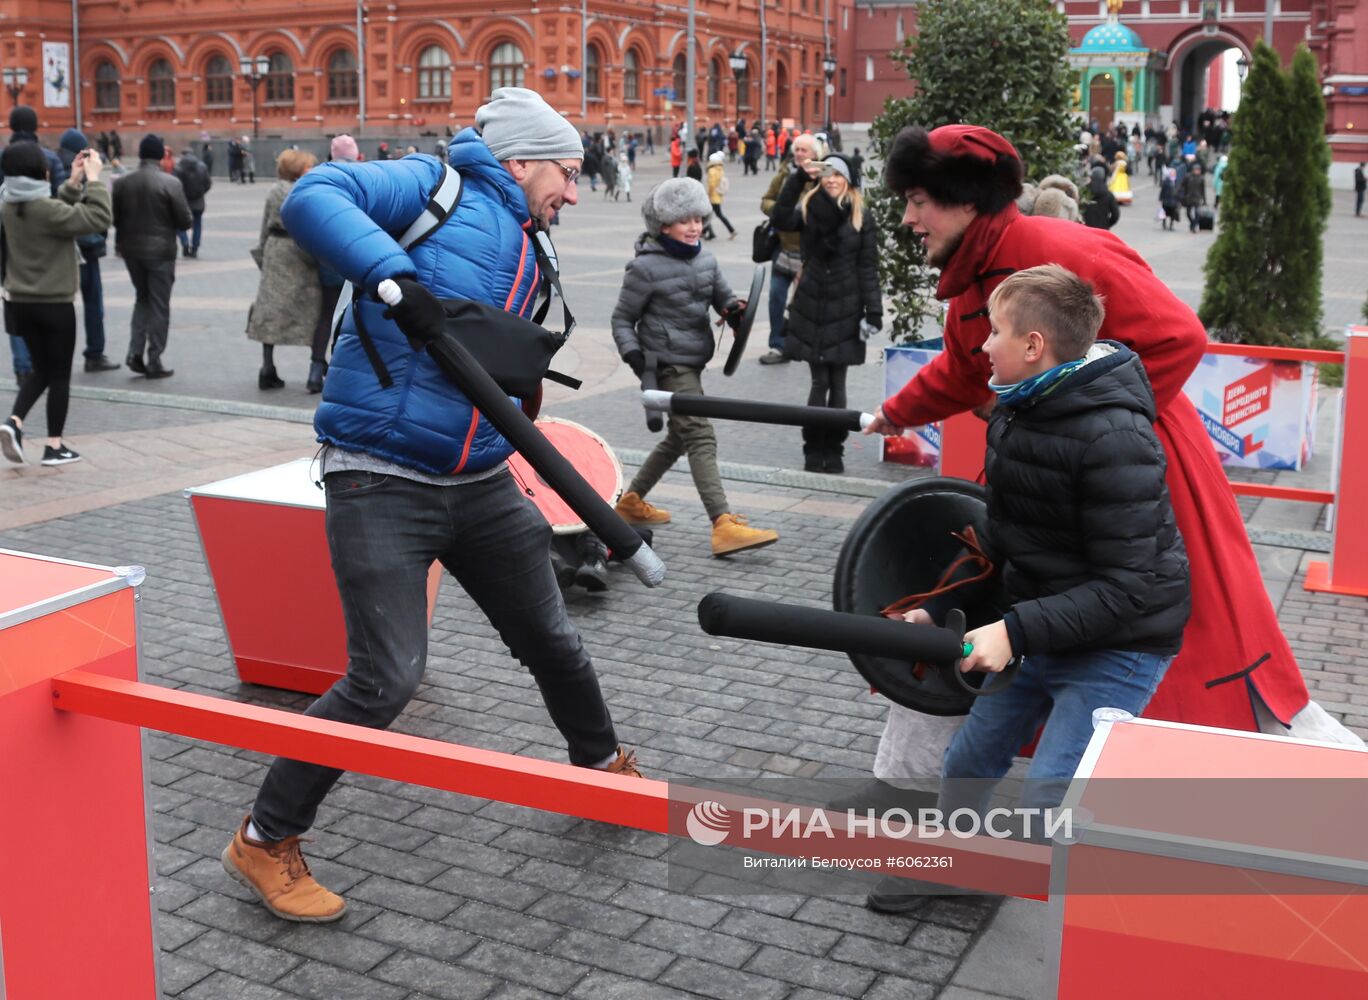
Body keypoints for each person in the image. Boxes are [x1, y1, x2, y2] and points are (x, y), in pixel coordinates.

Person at [855, 124, 1346, 912]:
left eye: (917, 201)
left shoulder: (1058, 250)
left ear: (963, 200)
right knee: (1014, 662)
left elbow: (1178, 338)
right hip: (1054, 482)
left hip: (1139, 472)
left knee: (1159, 651)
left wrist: (1088, 420)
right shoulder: (975, 276)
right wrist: (895, 412)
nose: (909, 218)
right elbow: (959, 366)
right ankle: (965, 853)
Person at [221, 87, 642, 924]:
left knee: (554, 639)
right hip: (379, 476)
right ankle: (264, 839)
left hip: (481, 481)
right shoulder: (431, 183)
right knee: (386, 679)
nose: (578, 187)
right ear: (521, 162)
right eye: (568, 169)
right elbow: (314, 198)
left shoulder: (532, 237)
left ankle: (602, 772)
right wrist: (390, 278)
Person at [932, 263, 1188, 822]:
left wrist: (1014, 630)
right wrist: (935, 608)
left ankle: (1055, 896)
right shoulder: (1019, 411)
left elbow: (1125, 589)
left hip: (1121, 643)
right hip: (1043, 625)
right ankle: (950, 863)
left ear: (1033, 345)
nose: (983, 344)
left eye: (995, 330)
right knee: (968, 761)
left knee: (1051, 795)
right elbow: (1003, 533)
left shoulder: (1116, 439)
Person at [610, 177, 780, 557]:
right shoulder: (645, 268)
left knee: (678, 438)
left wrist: (735, 313)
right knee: (701, 436)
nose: (694, 227)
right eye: (683, 219)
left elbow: (724, 301)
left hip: (693, 361)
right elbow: (621, 319)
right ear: (662, 225)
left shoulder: (706, 258)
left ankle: (631, 501)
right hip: (666, 365)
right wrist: (635, 358)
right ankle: (722, 525)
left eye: (698, 218)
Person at [0, 142, 112, 467]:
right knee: (60, 375)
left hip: (20, 302)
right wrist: (93, 179)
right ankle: (54, 446)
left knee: (41, 370)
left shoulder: (7, 204)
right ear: (42, 172)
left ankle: (14, 422)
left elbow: (52, 213)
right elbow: (97, 217)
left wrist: (73, 182)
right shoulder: (45, 210)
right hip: (55, 305)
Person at [769, 154, 880, 473]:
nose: (831, 179)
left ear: (848, 178)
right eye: (826, 174)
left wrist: (873, 312)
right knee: (819, 382)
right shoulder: (808, 207)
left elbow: (867, 266)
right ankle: (812, 448)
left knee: (838, 381)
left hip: (846, 306)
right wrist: (796, 179)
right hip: (812, 304)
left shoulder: (861, 215)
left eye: (838, 174)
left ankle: (835, 449)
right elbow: (778, 218)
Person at [111, 134, 193, 378]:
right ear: (160, 155)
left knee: (142, 299)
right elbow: (185, 220)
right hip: (161, 253)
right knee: (159, 305)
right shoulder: (170, 183)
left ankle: (134, 352)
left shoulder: (122, 183)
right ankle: (154, 359)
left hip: (131, 251)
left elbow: (116, 218)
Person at [3, 105, 67, 384]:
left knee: (14, 301)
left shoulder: (2, 157)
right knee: (46, 300)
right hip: (47, 237)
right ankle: (47, 361)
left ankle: (23, 367)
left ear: (12, 127)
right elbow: (64, 199)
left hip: (9, 238)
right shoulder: (49, 157)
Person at [247, 150, 320, 390]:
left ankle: (267, 367)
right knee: (313, 308)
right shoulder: (304, 190)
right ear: (298, 168)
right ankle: (318, 364)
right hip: (300, 251)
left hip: (276, 250)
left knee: (271, 310)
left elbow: (264, 226)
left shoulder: (274, 190)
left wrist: (262, 255)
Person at [55, 129, 118, 372]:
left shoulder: (51, 165)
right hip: (85, 247)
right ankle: (94, 354)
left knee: (60, 306)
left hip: (60, 249)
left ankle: (57, 357)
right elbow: (97, 210)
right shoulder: (81, 169)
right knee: (93, 303)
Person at [759, 132, 822, 364]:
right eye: (796, 150)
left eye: (804, 150)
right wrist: (780, 211)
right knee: (776, 296)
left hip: (811, 251)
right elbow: (765, 200)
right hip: (784, 247)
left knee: (807, 301)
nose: (798, 154)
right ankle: (778, 345)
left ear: (815, 155)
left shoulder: (823, 177)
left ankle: (809, 343)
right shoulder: (785, 173)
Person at [173, 145, 212, 258]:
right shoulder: (202, 167)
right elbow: (208, 184)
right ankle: (195, 248)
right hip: (198, 202)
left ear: (183, 155)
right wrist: (201, 193)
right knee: (197, 225)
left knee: (179, 225)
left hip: (183, 202)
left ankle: (185, 243)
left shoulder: (178, 168)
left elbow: (174, 185)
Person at [704, 151, 736, 239]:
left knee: (710, 215)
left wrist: (708, 195)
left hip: (713, 196)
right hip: (718, 195)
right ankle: (708, 232)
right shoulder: (720, 169)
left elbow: (711, 185)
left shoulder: (711, 170)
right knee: (714, 214)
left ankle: (730, 230)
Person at [1180, 161, 1206, 232]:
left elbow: (1203, 190)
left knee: (1197, 213)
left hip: (1197, 198)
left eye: (1198, 170)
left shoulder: (1201, 178)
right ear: (1193, 170)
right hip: (1189, 197)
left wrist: (1204, 200)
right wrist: (1178, 193)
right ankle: (1192, 223)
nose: (1197, 171)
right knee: (1188, 213)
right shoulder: (1188, 176)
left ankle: (1194, 226)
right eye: (1196, 170)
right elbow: (1181, 185)